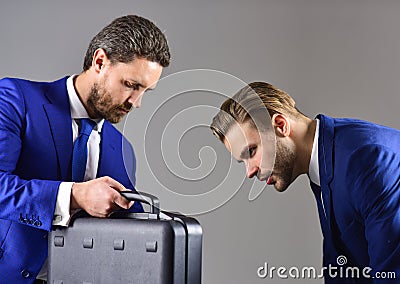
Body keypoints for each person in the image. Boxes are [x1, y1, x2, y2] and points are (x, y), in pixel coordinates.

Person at [0, 15, 170, 283]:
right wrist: (75, 196)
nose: (135, 102)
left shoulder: (123, 151)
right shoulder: (15, 99)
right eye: (131, 85)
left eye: (145, 91)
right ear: (100, 61)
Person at [210, 82, 400, 283]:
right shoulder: (325, 161)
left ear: (281, 125)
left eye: (251, 151)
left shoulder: (366, 161)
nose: (250, 172)